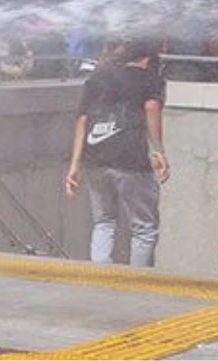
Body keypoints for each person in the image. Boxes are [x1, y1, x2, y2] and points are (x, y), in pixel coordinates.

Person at [65, 39, 169, 267]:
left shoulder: (98, 78)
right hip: (130, 158)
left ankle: (100, 275)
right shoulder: (150, 79)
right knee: (144, 227)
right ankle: (137, 281)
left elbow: (82, 120)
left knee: (103, 221)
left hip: (95, 159)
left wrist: (75, 165)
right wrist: (158, 150)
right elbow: (151, 108)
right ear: (148, 59)